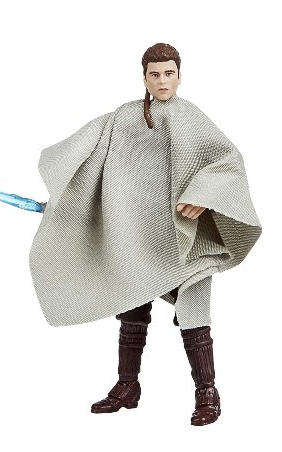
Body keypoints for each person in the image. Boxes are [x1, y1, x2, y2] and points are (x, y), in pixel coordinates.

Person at [29, 43, 261, 426]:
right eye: (155, 74)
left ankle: (207, 392)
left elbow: (227, 161)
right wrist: (65, 196)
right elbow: (85, 150)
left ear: (180, 76)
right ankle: (127, 386)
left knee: (193, 312)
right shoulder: (124, 117)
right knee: (131, 308)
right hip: (135, 231)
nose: (162, 81)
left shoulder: (190, 117)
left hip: (181, 238)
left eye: (169, 73)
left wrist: (203, 194)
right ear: (145, 78)